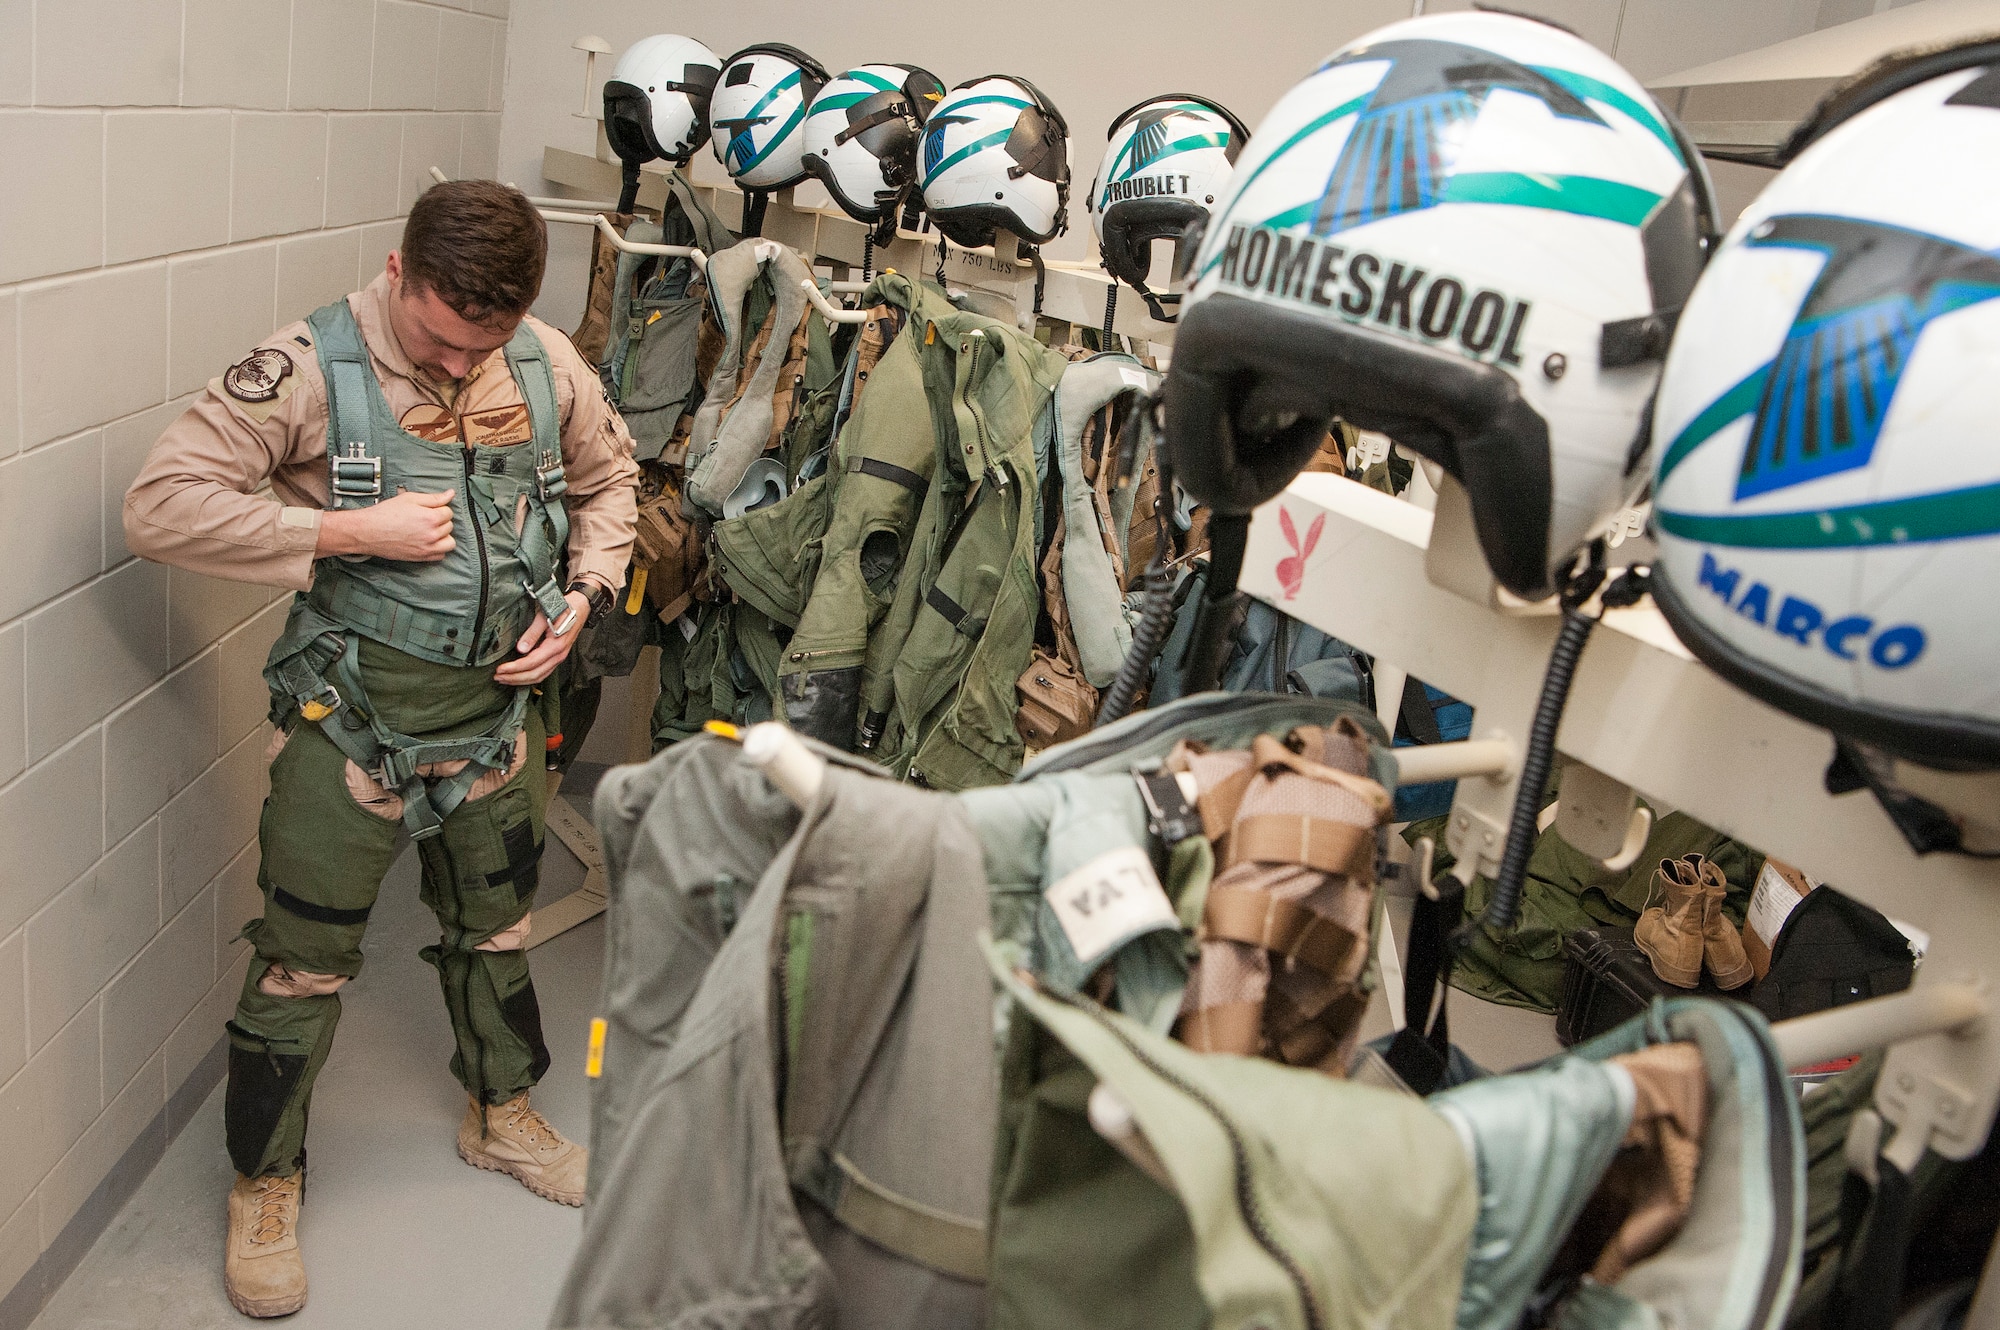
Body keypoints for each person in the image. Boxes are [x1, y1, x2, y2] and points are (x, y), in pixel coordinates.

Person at [123, 181, 639, 1318]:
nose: (461, 368)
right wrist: (341, 529)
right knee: (301, 961)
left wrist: (588, 590)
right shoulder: (307, 367)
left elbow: (611, 483)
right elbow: (161, 505)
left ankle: (500, 1114)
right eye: (442, 342)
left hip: (497, 728)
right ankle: (264, 1182)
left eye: (484, 346)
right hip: (348, 721)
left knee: (495, 933)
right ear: (399, 273)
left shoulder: (546, 364)